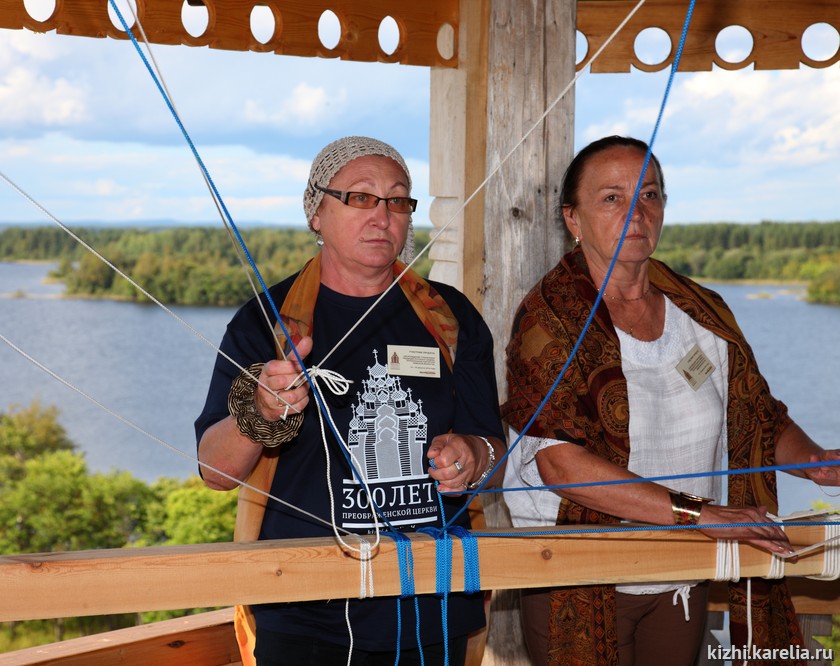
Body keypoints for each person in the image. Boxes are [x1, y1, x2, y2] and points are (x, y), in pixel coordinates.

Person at [501, 135, 840, 665]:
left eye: (651, 195)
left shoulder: (702, 312)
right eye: (612, 197)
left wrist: (815, 461)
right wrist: (700, 513)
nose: (636, 212)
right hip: (578, 574)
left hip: (682, 570)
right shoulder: (548, 320)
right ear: (573, 218)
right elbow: (561, 466)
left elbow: (755, 415)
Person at [195, 136, 507, 666]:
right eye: (361, 197)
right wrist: (261, 413)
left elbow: (494, 456)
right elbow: (215, 470)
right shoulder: (267, 322)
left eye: (398, 200)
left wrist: (474, 456)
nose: (383, 216)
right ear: (316, 212)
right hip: (302, 612)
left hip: (435, 605)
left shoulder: (450, 319)